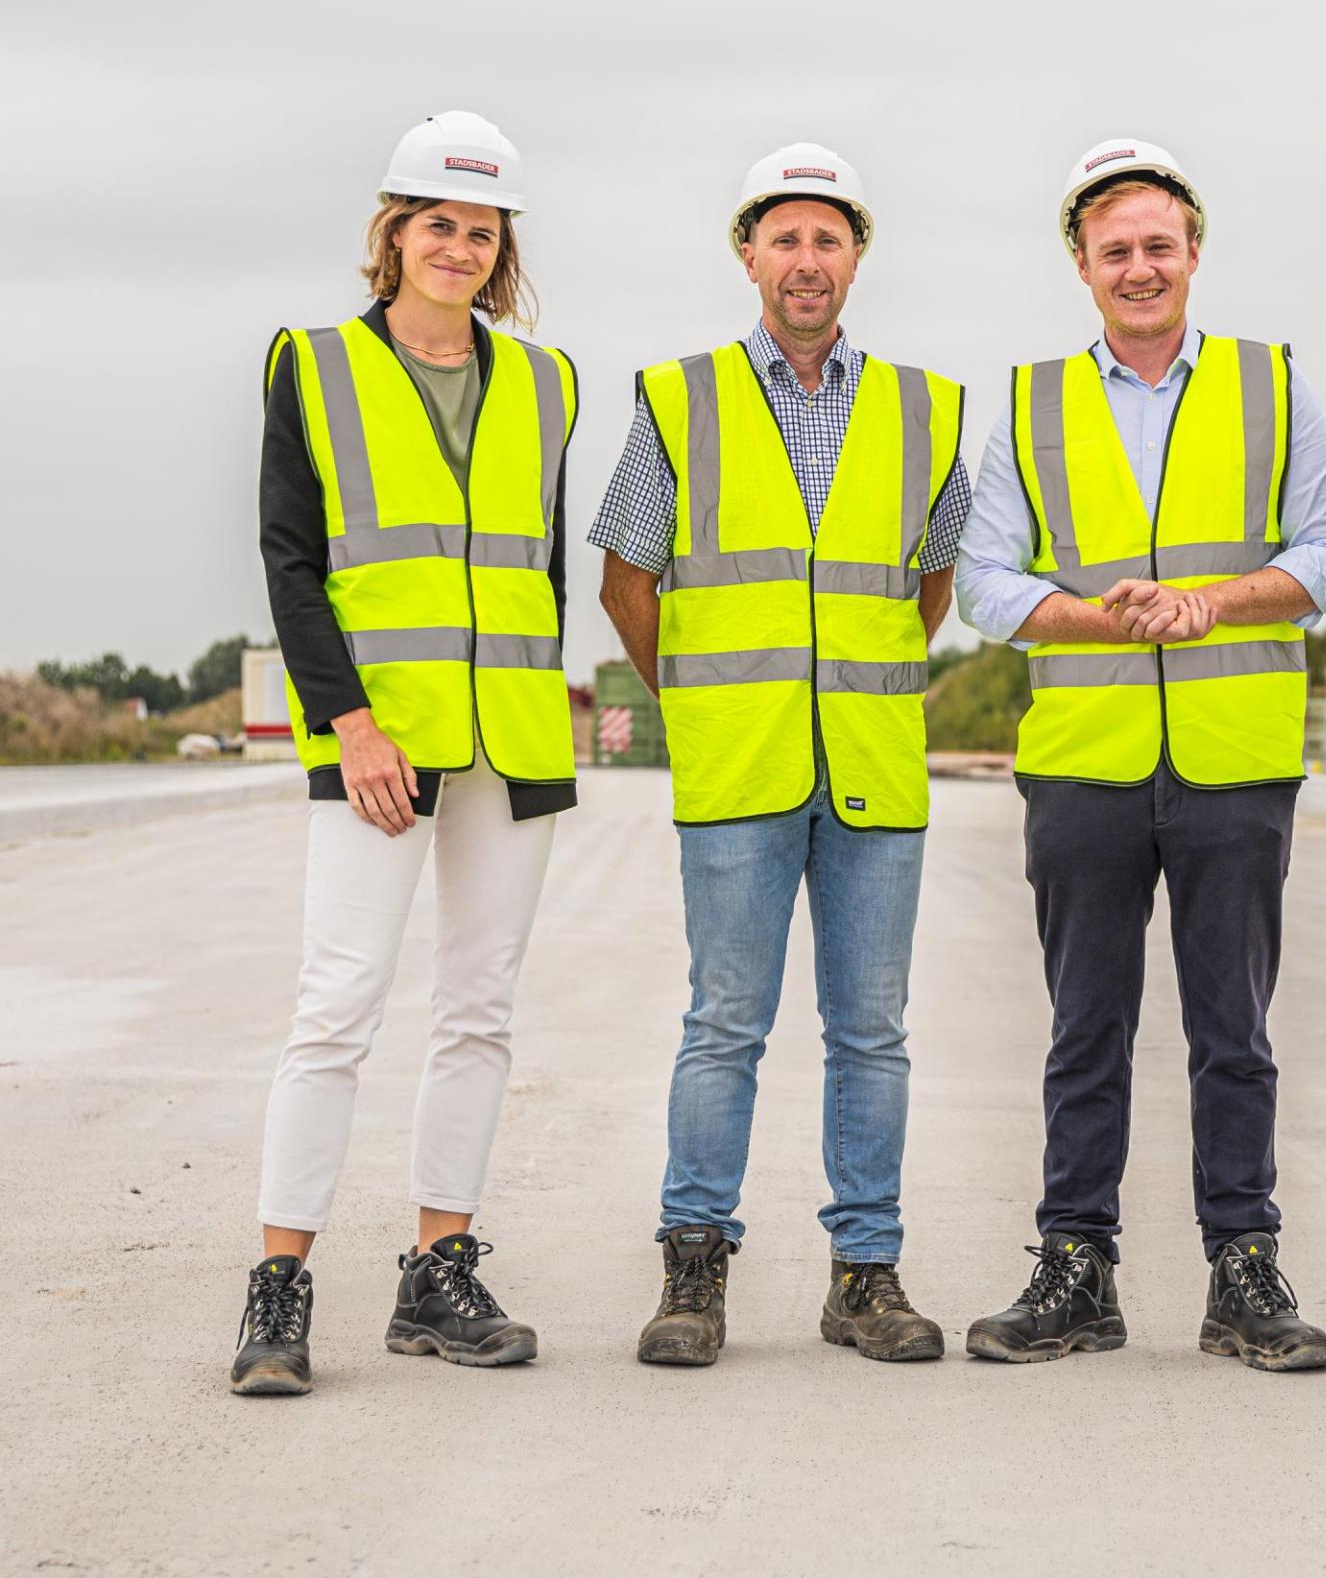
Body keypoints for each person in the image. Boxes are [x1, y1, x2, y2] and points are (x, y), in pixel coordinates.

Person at [955, 140, 1326, 1369]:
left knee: (1233, 1033)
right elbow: (983, 580)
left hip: (1234, 761)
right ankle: (1075, 1268)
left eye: (1158, 247)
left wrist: (1211, 605)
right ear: (1081, 265)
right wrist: (1106, 619)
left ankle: (1244, 1271)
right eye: (1114, 250)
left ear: (1194, 253)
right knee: (1087, 1031)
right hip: (1084, 759)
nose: (1139, 268)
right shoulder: (1030, 401)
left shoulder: (1271, 384)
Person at [594, 143, 971, 1367]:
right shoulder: (679, 398)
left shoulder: (926, 409)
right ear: (747, 256)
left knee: (872, 1032)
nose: (806, 263)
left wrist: (847, 683)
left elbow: (930, 583)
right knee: (725, 1025)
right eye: (784, 240)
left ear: (857, 257)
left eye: (828, 240)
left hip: (872, 762)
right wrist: (702, 699)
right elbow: (625, 578)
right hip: (739, 766)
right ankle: (693, 1272)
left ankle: (866, 1275)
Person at [233, 112, 578, 1396]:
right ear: (394, 234)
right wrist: (351, 724)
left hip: (510, 743)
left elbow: (537, 568)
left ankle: (439, 1268)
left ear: (503, 249)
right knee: (336, 1007)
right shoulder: (314, 364)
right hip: (378, 742)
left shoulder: (549, 381)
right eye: (437, 222)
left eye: (481, 230)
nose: (459, 246)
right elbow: (291, 558)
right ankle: (280, 1287)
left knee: (479, 1012)